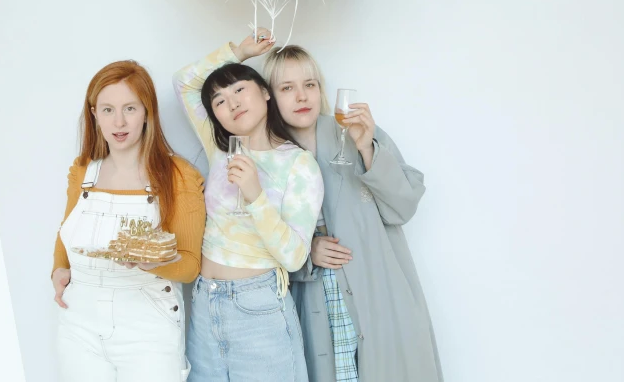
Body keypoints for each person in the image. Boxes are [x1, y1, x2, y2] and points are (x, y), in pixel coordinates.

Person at [255, 39, 444, 382]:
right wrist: (308, 251)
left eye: (309, 85)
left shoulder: (353, 132)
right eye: (287, 87)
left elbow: (403, 207)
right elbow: (253, 241)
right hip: (317, 303)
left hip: (380, 295)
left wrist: (367, 147)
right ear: (268, 95)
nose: (302, 96)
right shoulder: (267, 154)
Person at [172, 33, 324, 382]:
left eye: (240, 89)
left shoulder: (299, 165)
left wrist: (257, 195)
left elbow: (294, 256)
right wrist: (237, 51)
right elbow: (184, 82)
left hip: (260, 311)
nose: (232, 103)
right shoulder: (219, 149)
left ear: (266, 92)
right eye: (220, 101)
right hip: (205, 307)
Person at [51, 60, 206, 382]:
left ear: (148, 111)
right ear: (93, 113)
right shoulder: (83, 171)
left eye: (130, 108)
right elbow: (65, 232)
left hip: (148, 323)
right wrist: (58, 268)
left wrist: (147, 262)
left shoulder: (179, 176)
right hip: (78, 321)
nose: (118, 121)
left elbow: (190, 265)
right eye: (107, 110)